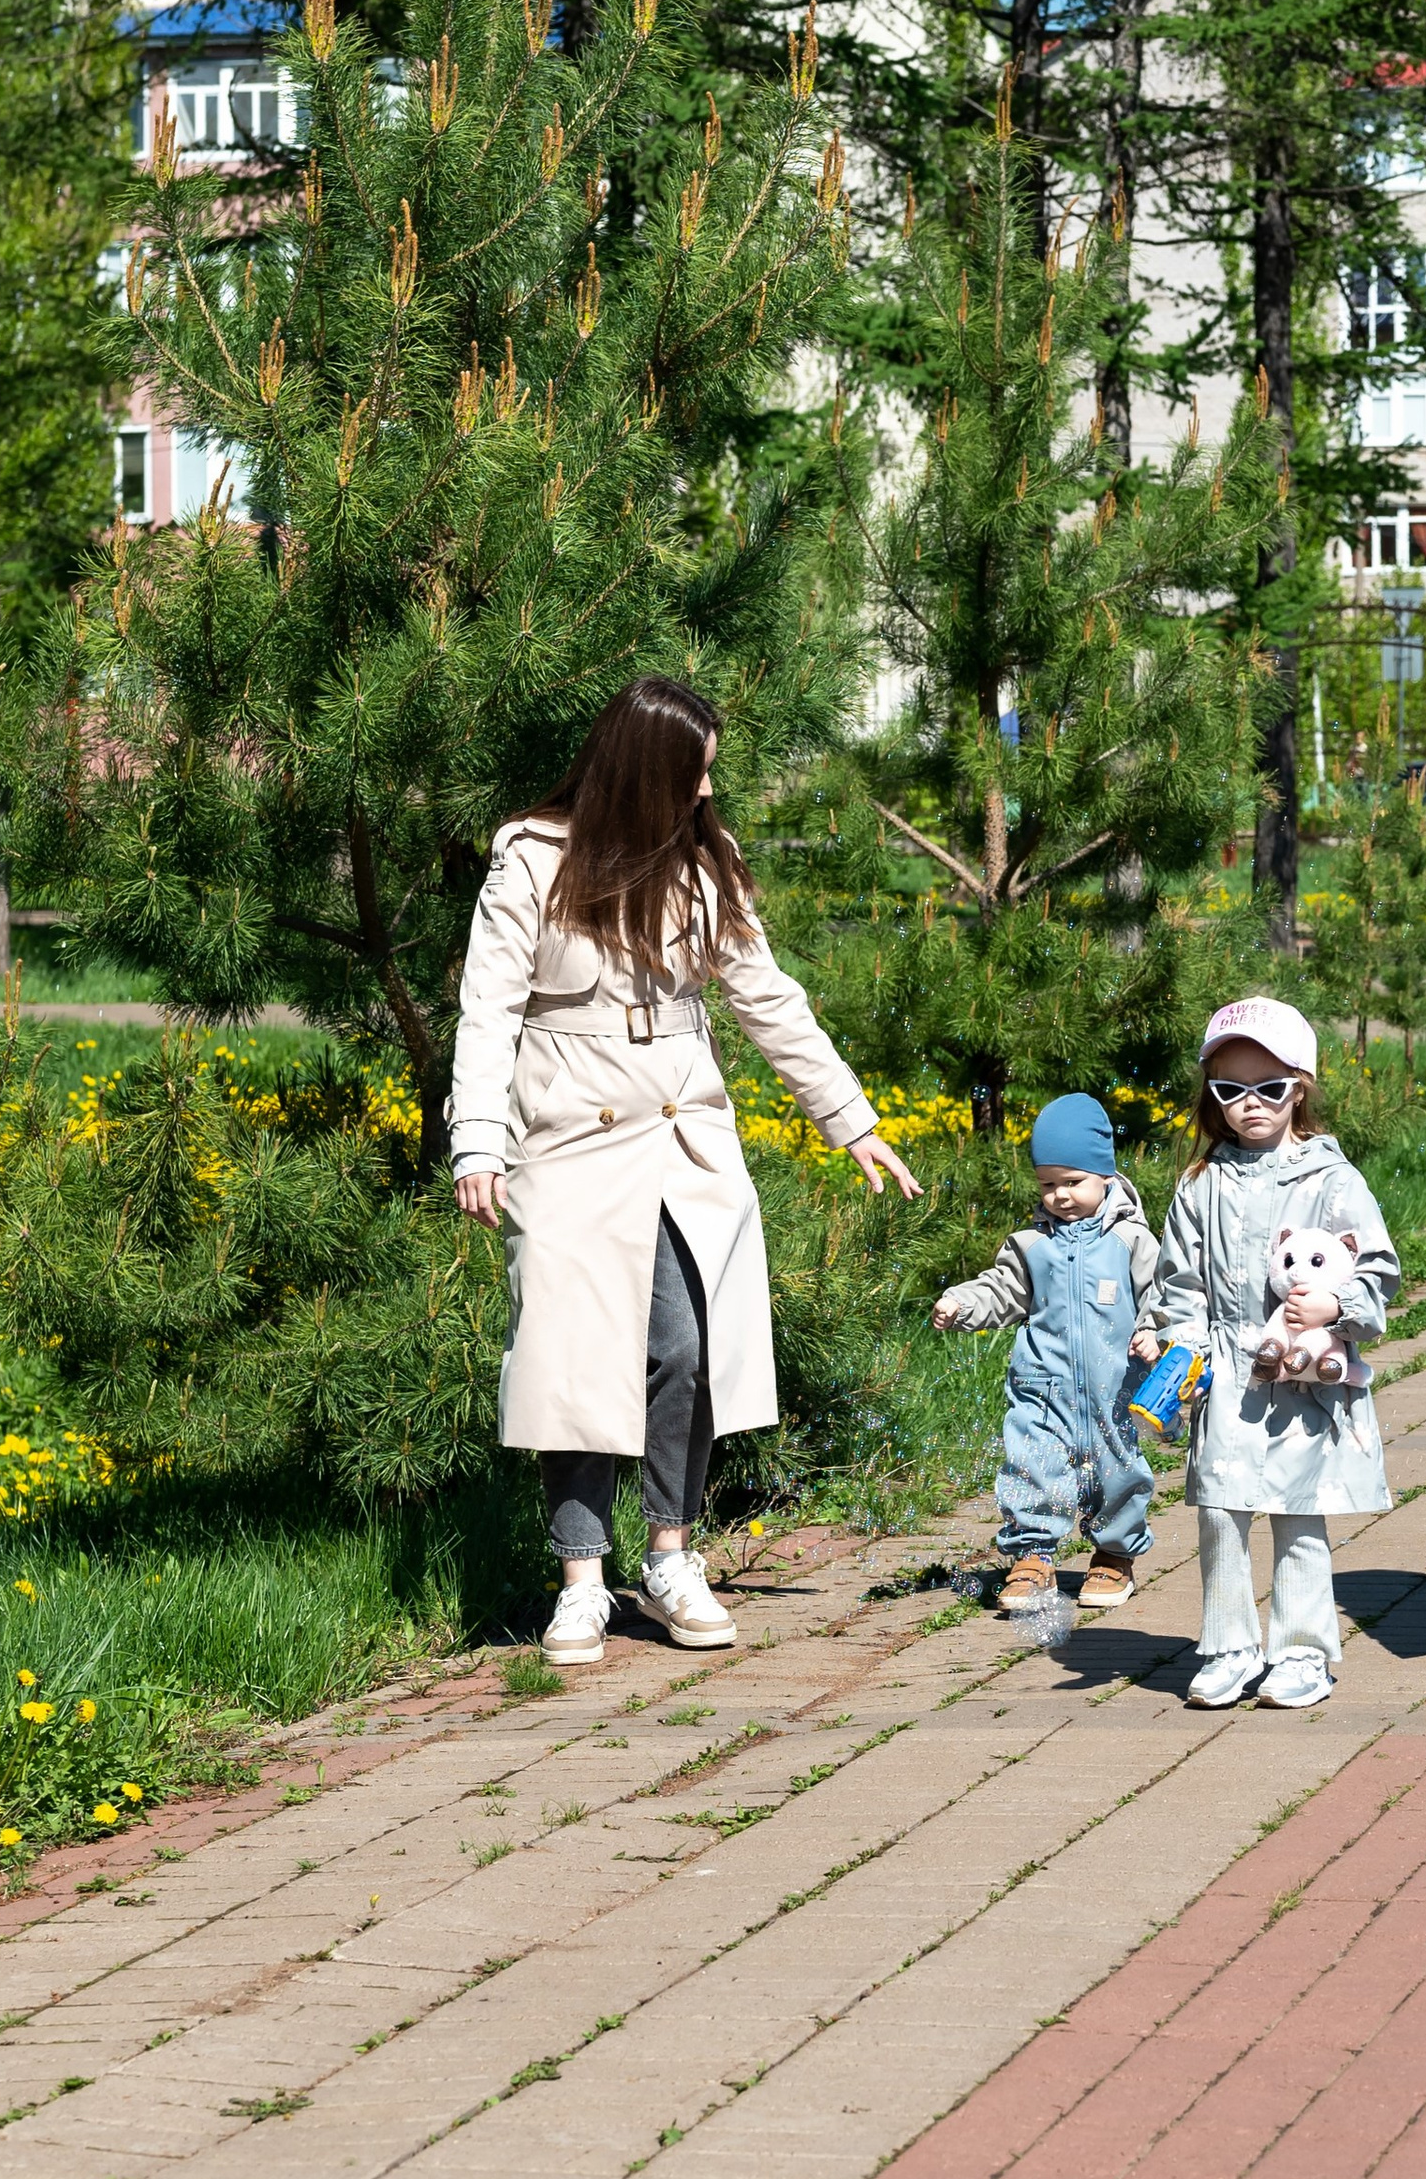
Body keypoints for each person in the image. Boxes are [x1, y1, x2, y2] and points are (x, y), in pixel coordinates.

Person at [449, 674, 922, 1667]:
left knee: (687, 1344)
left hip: (683, 1134)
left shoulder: (707, 864)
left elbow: (768, 999)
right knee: (573, 1353)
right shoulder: (531, 859)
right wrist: (478, 1140)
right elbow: (487, 1008)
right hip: (568, 1133)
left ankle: (670, 1554)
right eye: (695, 773)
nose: (708, 792)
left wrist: (851, 1120)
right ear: (644, 770)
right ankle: (582, 1578)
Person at [1154, 995, 1398, 1713]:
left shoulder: (1332, 1179)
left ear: (1301, 1086)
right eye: (1230, 1089)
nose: (1248, 1103)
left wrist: (1337, 1307)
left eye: (1268, 1087)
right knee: (1219, 1510)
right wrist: (1183, 1356)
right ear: (1212, 1094)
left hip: (1304, 1377)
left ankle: (1302, 1651)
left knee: (1299, 1510)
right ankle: (1229, 1646)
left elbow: (1376, 1269)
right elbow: (1179, 1283)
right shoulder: (1201, 1184)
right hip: (1228, 1371)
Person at [932, 1092, 1161, 1615]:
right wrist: (962, 1303)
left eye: (1073, 1182)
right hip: (1041, 1386)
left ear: (1105, 1175)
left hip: (1115, 1387)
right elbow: (1002, 1290)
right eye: (1048, 1184)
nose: (1059, 1196)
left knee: (1118, 1467)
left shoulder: (1130, 1240)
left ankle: (1113, 1555)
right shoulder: (1032, 1245)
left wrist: (1153, 1331)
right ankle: (1032, 1555)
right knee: (1031, 1465)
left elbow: (1162, 1295)